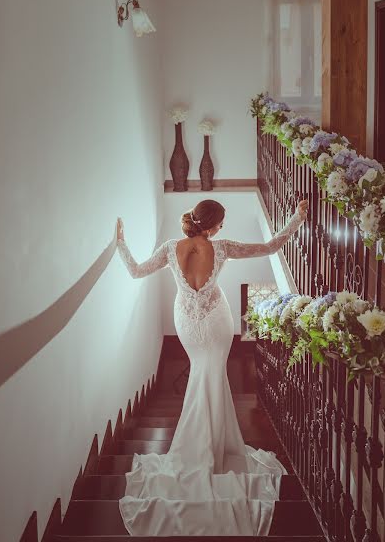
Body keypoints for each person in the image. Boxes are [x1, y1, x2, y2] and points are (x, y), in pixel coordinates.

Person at [114, 198, 308, 536]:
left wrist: (121, 243)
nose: (222, 227)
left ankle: (204, 444)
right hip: (217, 322)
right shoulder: (224, 247)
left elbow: (135, 271)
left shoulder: (170, 247)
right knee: (213, 376)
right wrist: (298, 218)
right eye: (221, 222)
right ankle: (214, 444)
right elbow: (272, 245)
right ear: (213, 224)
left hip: (187, 323)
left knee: (204, 377)